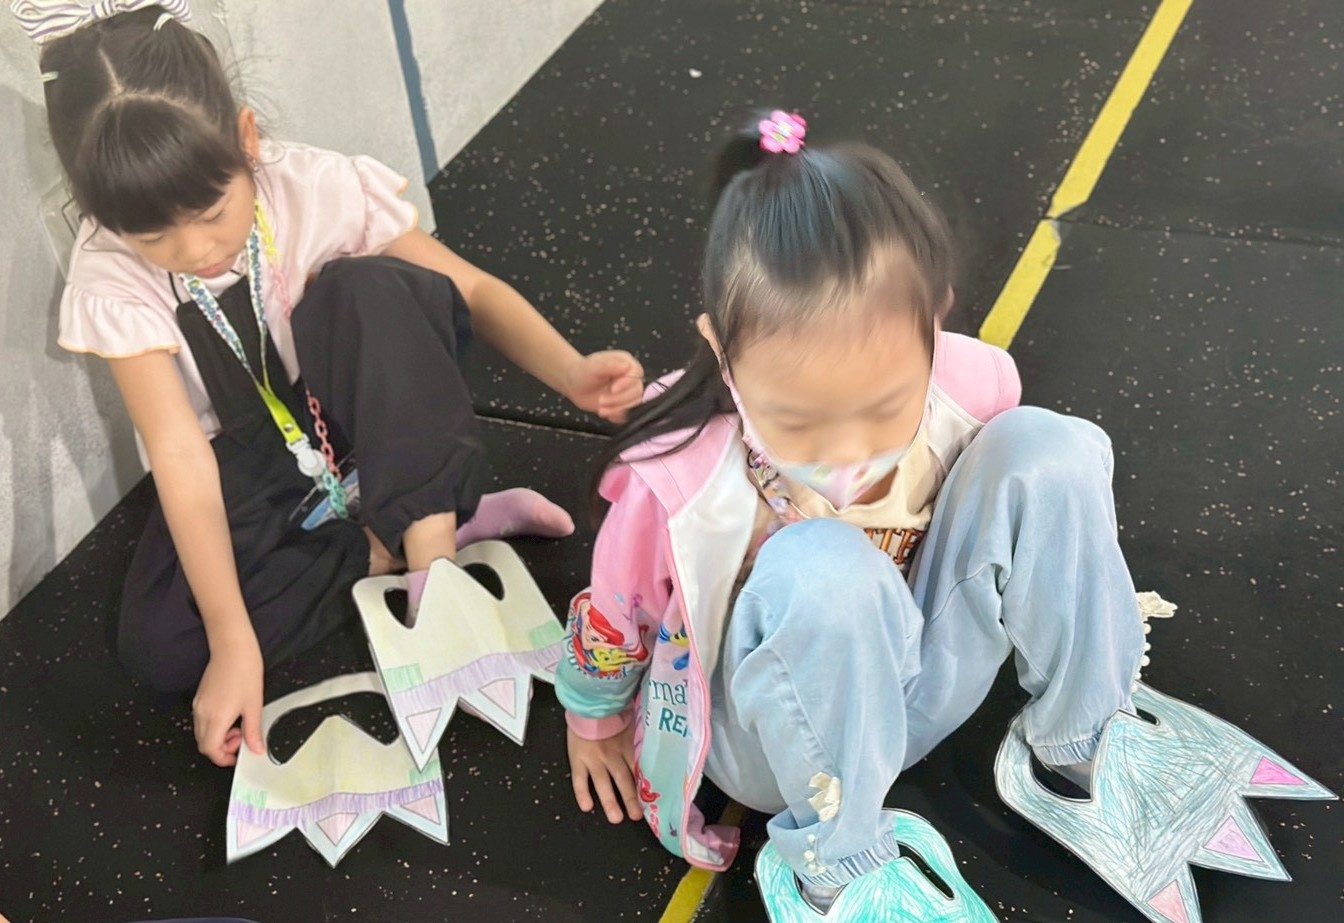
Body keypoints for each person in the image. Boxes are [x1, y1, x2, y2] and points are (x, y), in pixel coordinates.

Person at [557, 108, 1153, 920]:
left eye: (883, 409)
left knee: (1049, 448)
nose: (848, 458)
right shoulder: (680, 475)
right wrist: (592, 720)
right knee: (822, 567)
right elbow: (617, 611)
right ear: (723, 352)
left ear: (934, 321)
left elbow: (1034, 522)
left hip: (917, 682)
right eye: (800, 422)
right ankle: (837, 871)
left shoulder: (969, 385)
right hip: (783, 749)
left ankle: (1086, 740)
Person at [19, 1, 643, 768]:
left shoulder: (312, 187)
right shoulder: (111, 274)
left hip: (366, 413)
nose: (194, 249)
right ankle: (408, 532)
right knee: (160, 643)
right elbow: (180, 454)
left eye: (212, 212)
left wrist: (571, 371)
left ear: (247, 139)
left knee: (368, 288)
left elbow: (470, 289)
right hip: (257, 456)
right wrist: (233, 641)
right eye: (152, 236)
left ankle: (433, 558)